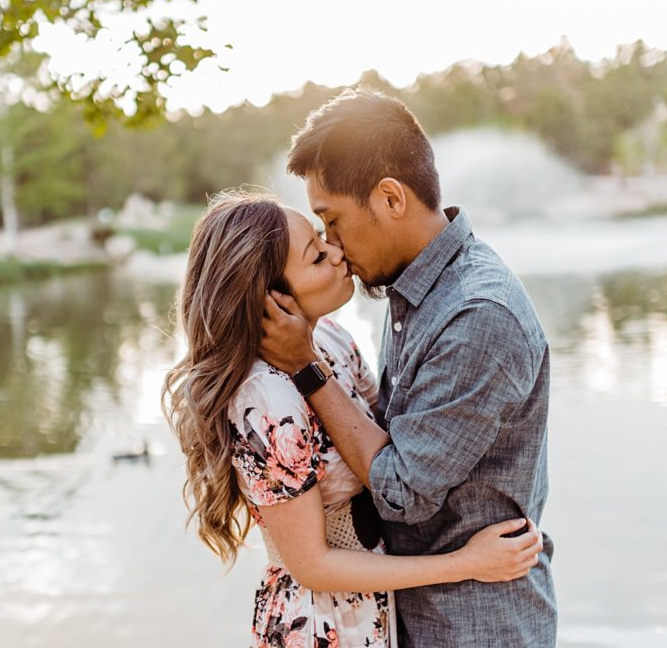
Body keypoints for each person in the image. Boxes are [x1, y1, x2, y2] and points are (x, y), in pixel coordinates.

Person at [163, 190, 544, 648]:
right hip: (322, 624)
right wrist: (467, 563)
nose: (338, 253)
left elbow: (391, 449)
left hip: (371, 610)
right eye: (317, 257)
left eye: (326, 240)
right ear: (273, 301)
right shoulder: (265, 399)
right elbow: (313, 566)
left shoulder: (330, 340)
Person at [259, 89, 557, 647]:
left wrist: (305, 368)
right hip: (417, 617)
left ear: (391, 198)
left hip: (474, 626)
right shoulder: (419, 293)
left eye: (333, 220)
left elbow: (400, 492)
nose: (333, 246)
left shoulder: (475, 317)